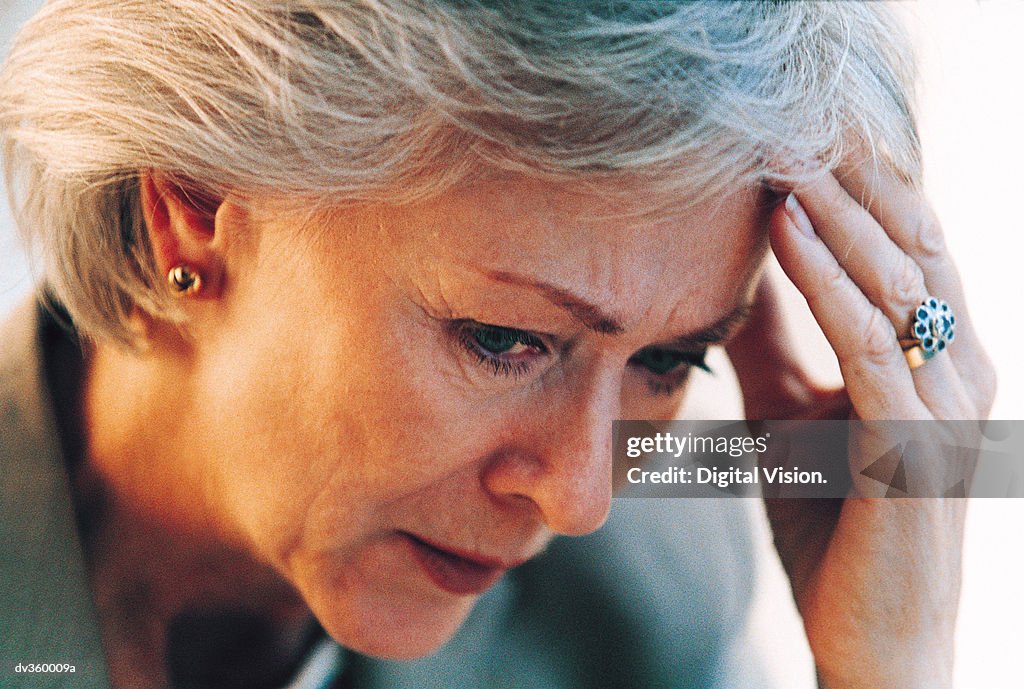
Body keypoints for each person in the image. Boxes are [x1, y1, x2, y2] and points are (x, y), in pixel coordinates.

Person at [0, 1, 995, 688]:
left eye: (669, 360)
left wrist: (885, 665)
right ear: (194, 205)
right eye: (504, 339)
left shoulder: (642, 593)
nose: (580, 495)